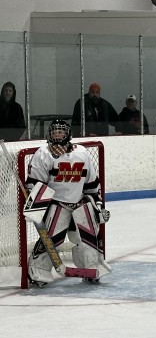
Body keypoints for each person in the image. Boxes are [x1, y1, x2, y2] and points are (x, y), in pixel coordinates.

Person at [24, 119, 111, 287]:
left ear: (68, 135)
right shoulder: (43, 154)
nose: (57, 135)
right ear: (49, 135)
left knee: (88, 239)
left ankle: (92, 268)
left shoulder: (81, 152)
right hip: (56, 204)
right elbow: (35, 184)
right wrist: (35, 206)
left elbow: (91, 183)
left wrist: (98, 205)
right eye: (54, 132)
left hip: (80, 202)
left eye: (61, 132)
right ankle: (38, 272)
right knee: (52, 240)